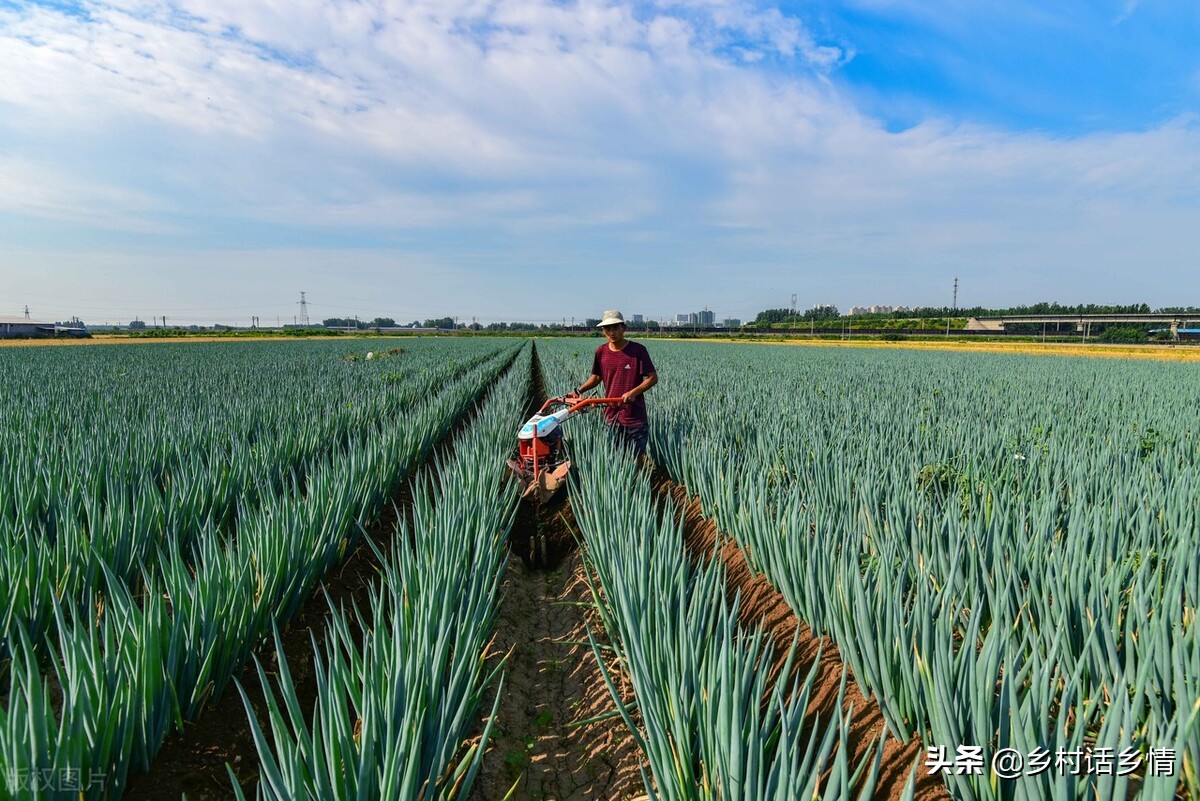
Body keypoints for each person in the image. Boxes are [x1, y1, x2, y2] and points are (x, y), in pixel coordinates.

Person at [567, 310, 658, 456]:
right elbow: (596, 377)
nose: (611, 332)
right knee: (615, 456)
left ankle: (638, 479)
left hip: (634, 416)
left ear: (624, 328)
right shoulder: (601, 352)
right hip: (611, 415)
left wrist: (633, 392)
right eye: (607, 328)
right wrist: (578, 391)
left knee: (636, 458)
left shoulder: (638, 350)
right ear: (603, 331)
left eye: (615, 327)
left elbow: (653, 377)